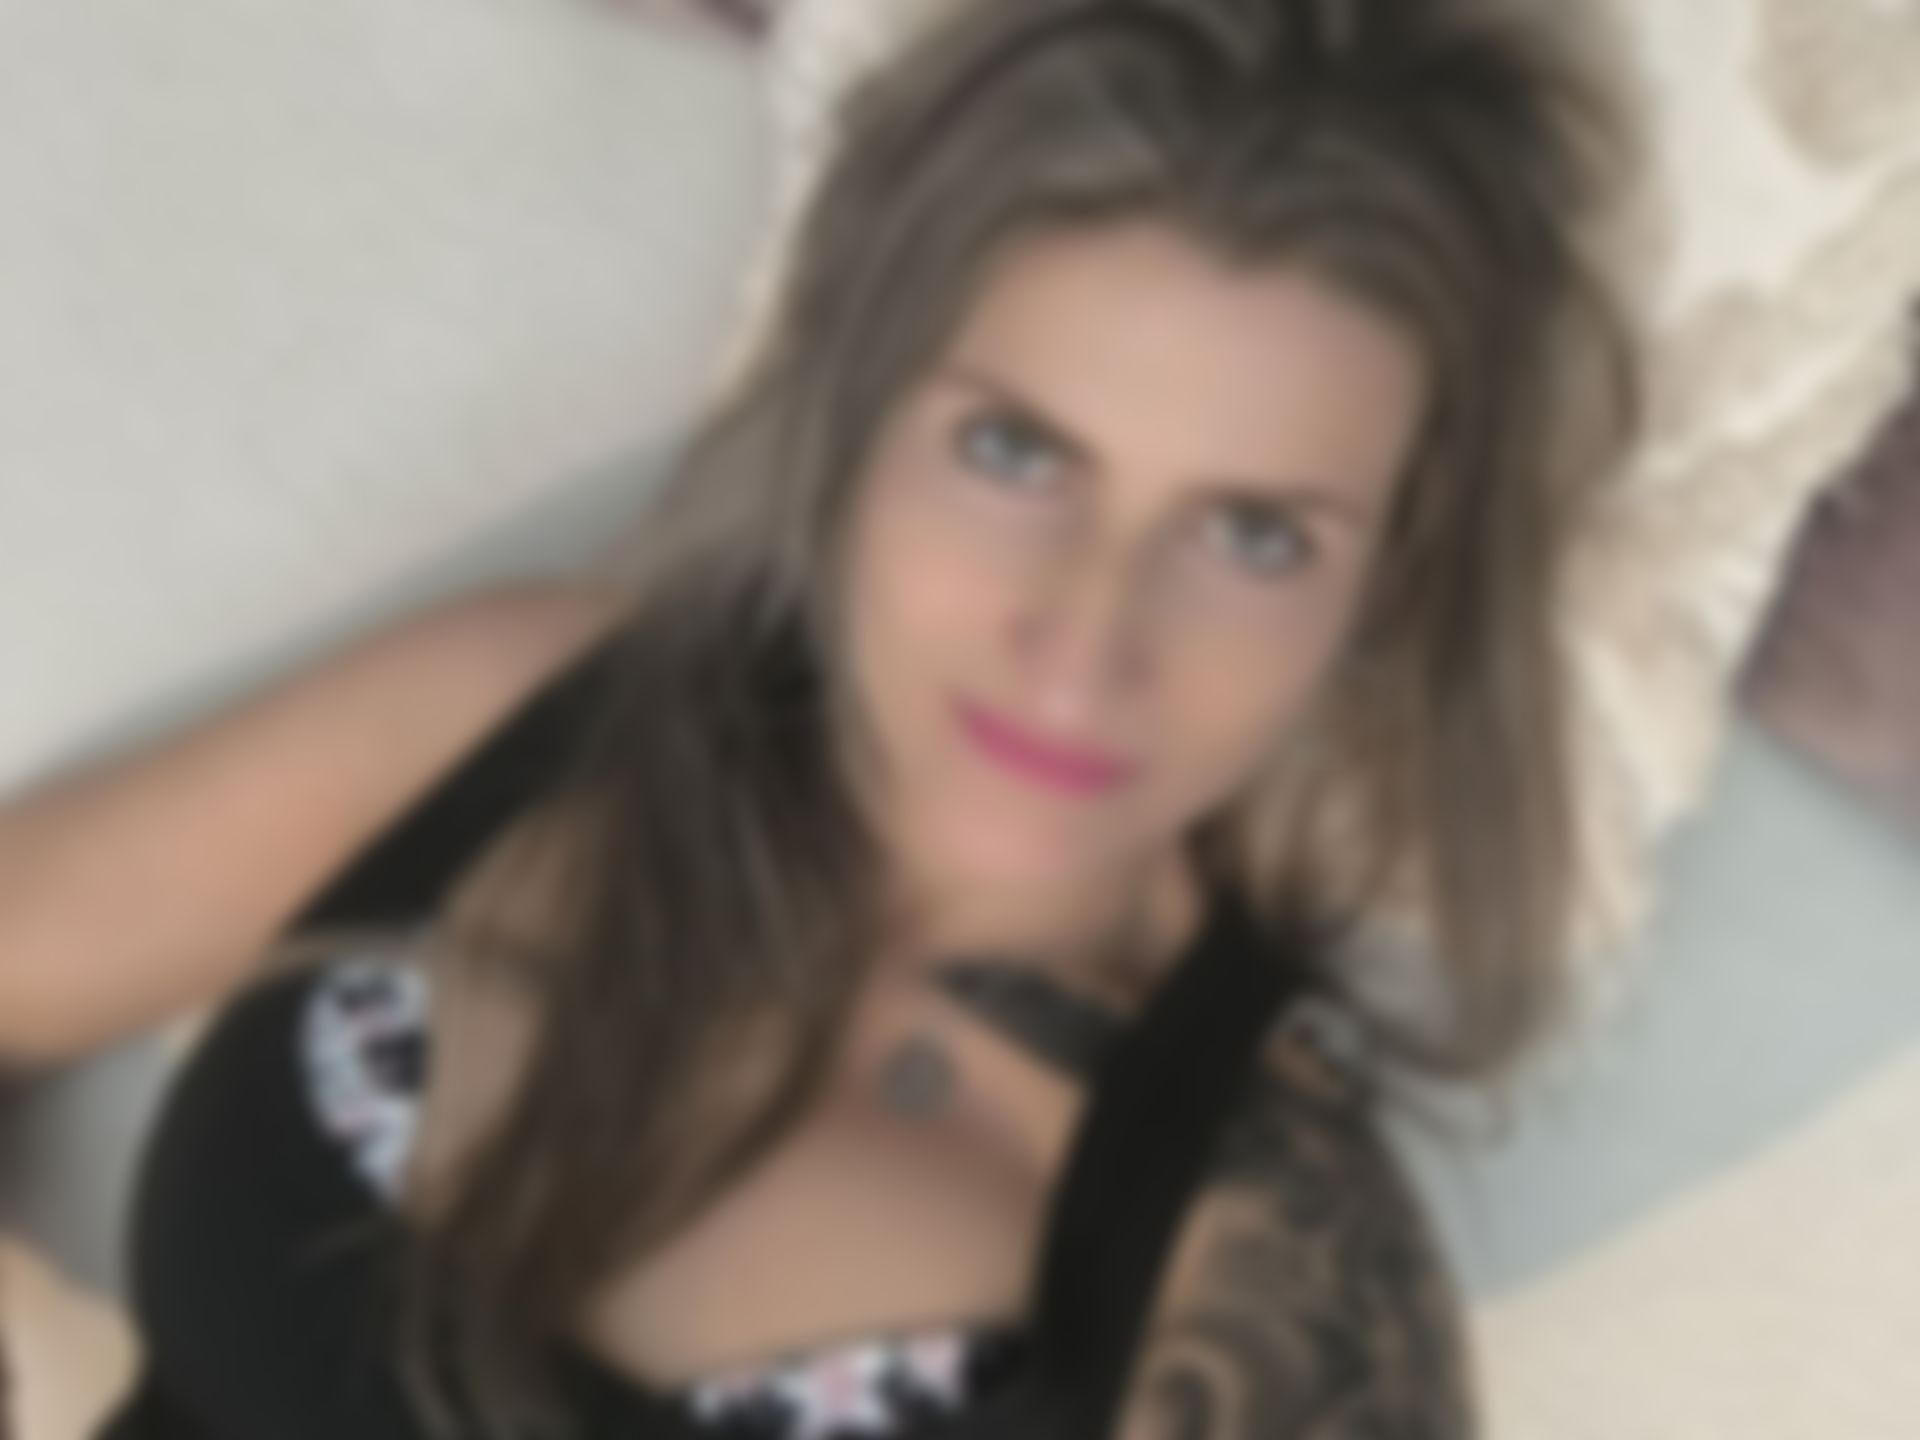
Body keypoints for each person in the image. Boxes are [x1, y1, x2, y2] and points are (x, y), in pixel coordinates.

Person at [0, 0, 1638, 1435]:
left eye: (1254, 536)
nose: (1082, 653)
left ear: (1395, 579)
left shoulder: (1265, 1273)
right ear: (857, 401)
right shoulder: (522, 717)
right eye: (1014, 453)